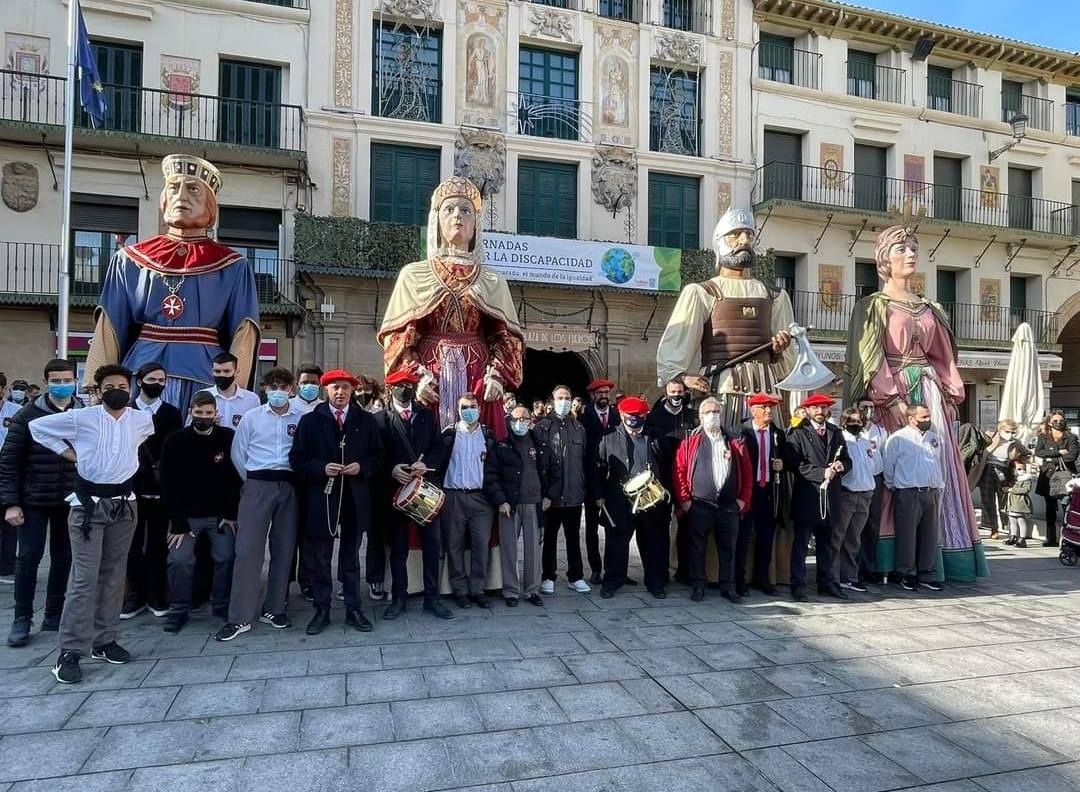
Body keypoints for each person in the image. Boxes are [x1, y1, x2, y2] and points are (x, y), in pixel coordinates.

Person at [845, 225, 987, 583]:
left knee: (936, 471)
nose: (910, 254)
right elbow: (869, 356)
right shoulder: (873, 306)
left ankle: (937, 557)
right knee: (896, 474)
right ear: (884, 261)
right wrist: (889, 397)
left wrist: (951, 394)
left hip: (929, 394)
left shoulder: (930, 308)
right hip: (891, 396)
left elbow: (944, 358)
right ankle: (888, 561)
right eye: (900, 249)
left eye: (912, 248)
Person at [83, 155, 260, 415]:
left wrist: (236, 393)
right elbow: (109, 327)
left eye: (193, 189)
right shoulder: (128, 259)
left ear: (211, 205)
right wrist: (98, 387)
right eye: (174, 188)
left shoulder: (234, 265)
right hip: (140, 373)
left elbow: (243, 334)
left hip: (204, 377)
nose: (182, 196)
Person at [29, 364, 155, 684]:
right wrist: (69, 454)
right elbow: (39, 427)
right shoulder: (82, 417)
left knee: (114, 575)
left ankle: (105, 639)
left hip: (124, 505)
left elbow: (138, 443)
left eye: (123, 386)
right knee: (85, 578)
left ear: (131, 388)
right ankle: (70, 651)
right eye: (111, 385)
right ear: (99, 390)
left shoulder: (140, 419)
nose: (118, 391)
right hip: (88, 506)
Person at [378, 176, 523, 439]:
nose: (458, 216)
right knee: (428, 444)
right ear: (437, 220)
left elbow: (505, 338)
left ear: (476, 222)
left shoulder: (493, 280)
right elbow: (398, 339)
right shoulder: (414, 274)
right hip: (431, 373)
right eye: (450, 209)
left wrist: (497, 376)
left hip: (478, 374)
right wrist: (415, 377)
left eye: (466, 210)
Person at [656, 207, 796, 428]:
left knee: (767, 454)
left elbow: (789, 365)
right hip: (721, 389)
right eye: (736, 234)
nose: (744, 240)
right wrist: (682, 377)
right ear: (720, 241)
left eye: (749, 234)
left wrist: (778, 352)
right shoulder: (702, 292)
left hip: (765, 393)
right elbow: (675, 345)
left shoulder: (775, 296)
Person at [290, 369, 384, 635]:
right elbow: (297, 459)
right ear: (325, 391)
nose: (340, 392)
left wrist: (361, 467)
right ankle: (322, 609)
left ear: (352, 390)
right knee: (320, 556)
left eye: (344, 387)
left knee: (351, 556)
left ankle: (353, 607)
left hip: (354, 497)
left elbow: (378, 456)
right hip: (323, 496)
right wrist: (321, 468)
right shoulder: (310, 421)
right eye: (334, 388)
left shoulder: (365, 421)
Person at [214, 367, 301, 642]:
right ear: (265, 389)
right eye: (272, 386)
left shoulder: (302, 417)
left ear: (291, 390)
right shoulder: (252, 418)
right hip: (257, 484)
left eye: (283, 386)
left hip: (289, 485)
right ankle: (239, 616)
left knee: (284, 549)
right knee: (248, 550)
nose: (278, 391)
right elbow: (238, 453)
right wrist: (252, 481)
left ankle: (274, 608)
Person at [1, 359, 80, 647]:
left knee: (64, 558)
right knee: (28, 558)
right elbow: (9, 462)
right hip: (33, 500)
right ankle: (22, 617)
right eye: (56, 381)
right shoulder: (27, 415)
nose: (62, 385)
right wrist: (11, 503)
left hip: (70, 500)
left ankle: (54, 614)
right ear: (46, 382)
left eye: (67, 379)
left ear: (75, 380)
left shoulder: (83, 412)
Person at [160, 391, 242, 633]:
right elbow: (168, 483)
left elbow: (234, 478)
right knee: (179, 561)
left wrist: (231, 512)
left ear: (216, 414)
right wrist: (178, 522)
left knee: (226, 557)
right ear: (190, 413)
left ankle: (222, 604)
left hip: (219, 516)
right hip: (185, 517)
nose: (203, 418)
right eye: (198, 413)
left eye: (208, 413)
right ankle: (178, 609)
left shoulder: (228, 437)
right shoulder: (174, 440)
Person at [374, 370, 452, 621]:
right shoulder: (379, 420)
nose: (406, 389)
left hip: (424, 490)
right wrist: (391, 469)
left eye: (410, 385)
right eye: (401, 385)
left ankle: (432, 598)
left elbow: (438, 448)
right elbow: (374, 455)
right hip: (396, 493)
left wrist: (426, 464)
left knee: (432, 546)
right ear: (390, 389)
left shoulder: (427, 416)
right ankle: (398, 597)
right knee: (398, 549)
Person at [673, 398, 753, 603]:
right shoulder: (690, 441)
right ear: (700, 416)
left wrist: (742, 500)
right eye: (708, 412)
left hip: (728, 506)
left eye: (716, 411)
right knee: (697, 548)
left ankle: (728, 587)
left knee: (729, 549)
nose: (713, 415)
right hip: (699, 504)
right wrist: (684, 500)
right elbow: (679, 470)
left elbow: (747, 472)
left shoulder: (735, 440)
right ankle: (698, 585)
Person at [121, 362, 183, 620]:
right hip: (131, 488)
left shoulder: (171, 413)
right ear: (139, 381)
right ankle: (135, 595)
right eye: (152, 378)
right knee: (131, 544)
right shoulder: (126, 410)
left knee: (158, 545)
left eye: (161, 379)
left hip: (161, 488)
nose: (157, 383)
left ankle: (157, 594)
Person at [592, 396, 668, 599]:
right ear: (622, 416)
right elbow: (598, 467)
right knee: (616, 543)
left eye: (638, 418)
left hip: (650, 500)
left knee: (652, 542)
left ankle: (655, 583)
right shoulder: (608, 437)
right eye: (629, 418)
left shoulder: (655, 437)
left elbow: (667, 466)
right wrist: (598, 495)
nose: (633, 423)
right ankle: (613, 581)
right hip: (619, 499)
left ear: (645, 416)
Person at [786, 393, 851, 602]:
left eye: (823, 408)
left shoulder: (835, 432)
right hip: (808, 496)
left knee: (828, 543)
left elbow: (847, 460)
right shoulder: (798, 433)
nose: (821, 412)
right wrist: (820, 473)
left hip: (830, 497)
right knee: (802, 544)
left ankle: (827, 583)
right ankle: (798, 584)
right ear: (808, 410)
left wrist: (841, 467)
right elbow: (794, 463)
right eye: (816, 408)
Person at [485, 405, 544, 607]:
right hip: (509, 505)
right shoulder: (501, 446)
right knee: (509, 549)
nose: (521, 423)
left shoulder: (539, 444)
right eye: (517, 419)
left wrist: (549, 496)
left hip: (533, 503)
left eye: (525, 418)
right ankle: (510, 590)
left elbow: (552, 470)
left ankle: (532, 590)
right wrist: (500, 500)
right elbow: (491, 476)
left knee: (533, 550)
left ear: (530, 421)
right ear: (510, 421)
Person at [882, 404, 946, 592]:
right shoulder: (898, 439)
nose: (928, 420)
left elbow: (937, 462)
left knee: (930, 535)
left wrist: (939, 485)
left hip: (931, 491)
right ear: (912, 419)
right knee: (907, 535)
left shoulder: (934, 439)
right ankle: (905, 573)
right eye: (924, 417)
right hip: (909, 491)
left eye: (928, 416)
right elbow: (889, 466)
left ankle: (926, 573)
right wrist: (894, 486)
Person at [441, 393, 496, 609]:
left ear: (480, 409)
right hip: (453, 496)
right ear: (458, 409)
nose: (469, 410)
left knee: (481, 545)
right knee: (454, 546)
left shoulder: (488, 435)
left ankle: (477, 589)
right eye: (464, 407)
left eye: (473, 406)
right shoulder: (449, 435)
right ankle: (460, 589)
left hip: (481, 499)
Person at [534, 385, 589, 596]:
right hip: (552, 496)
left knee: (573, 537)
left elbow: (583, 459)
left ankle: (576, 576)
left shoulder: (579, 428)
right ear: (552, 401)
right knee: (550, 537)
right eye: (560, 397)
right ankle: (548, 575)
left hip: (574, 494)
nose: (564, 401)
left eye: (567, 397)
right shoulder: (542, 428)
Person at [647, 377, 699, 585]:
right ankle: (659, 576)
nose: (677, 396)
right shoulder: (655, 417)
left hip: (688, 481)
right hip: (663, 481)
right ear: (665, 393)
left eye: (680, 392)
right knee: (659, 529)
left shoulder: (693, 417)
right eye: (673, 392)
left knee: (688, 528)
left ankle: (685, 572)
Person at [738, 393, 787, 596]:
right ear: (753, 410)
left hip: (769, 490)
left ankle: (763, 578)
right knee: (744, 536)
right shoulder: (742, 432)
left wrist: (782, 464)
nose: (769, 411)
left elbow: (789, 459)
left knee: (766, 537)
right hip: (748, 491)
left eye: (771, 408)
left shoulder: (777, 434)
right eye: (764, 407)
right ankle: (739, 580)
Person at [581, 378, 620, 584]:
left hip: (612, 481)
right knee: (592, 528)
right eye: (599, 393)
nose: (604, 396)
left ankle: (615, 568)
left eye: (606, 392)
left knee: (615, 527)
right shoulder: (583, 417)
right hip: (590, 480)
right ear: (592, 396)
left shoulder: (617, 416)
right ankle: (596, 568)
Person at [833, 407, 877, 593]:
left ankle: (850, 576)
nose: (856, 424)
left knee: (854, 538)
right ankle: (834, 576)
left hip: (865, 494)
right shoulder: (841, 441)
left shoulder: (865, 442)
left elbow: (874, 465)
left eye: (859, 421)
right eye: (852, 421)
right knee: (838, 536)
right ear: (844, 422)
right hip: (847, 494)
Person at [855, 398, 889, 584]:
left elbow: (885, 456)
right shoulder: (852, 432)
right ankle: (854, 568)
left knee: (872, 525)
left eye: (871, 407)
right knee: (855, 526)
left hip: (875, 480)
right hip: (857, 482)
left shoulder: (881, 432)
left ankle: (869, 567)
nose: (868, 411)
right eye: (864, 407)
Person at [1034, 410, 1079, 547]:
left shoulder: (1070, 437)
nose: (1058, 423)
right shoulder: (1043, 437)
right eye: (1055, 421)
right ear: (1049, 422)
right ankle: (1051, 538)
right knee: (1050, 508)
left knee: (1067, 505)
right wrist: (1058, 452)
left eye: (1061, 420)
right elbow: (1039, 452)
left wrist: (1050, 458)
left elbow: (1072, 455)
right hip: (1048, 475)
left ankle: (1068, 538)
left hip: (1066, 475)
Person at [979, 420, 1023, 540]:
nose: (1010, 434)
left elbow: (1025, 454)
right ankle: (994, 528)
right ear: (1000, 429)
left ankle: (1009, 528)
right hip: (988, 469)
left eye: (1013, 432)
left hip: (1004, 470)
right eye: (1007, 431)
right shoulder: (991, 437)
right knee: (987, 500)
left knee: (1004, 500)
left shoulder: (1016, 443)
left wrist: (1019, 463)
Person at [197, 352, 262, 429]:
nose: (222, 375)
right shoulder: (201, 396)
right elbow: (190, 429)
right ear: (212, 372)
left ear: (236, 372)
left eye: (227, 371)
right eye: (217, 371)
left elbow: (257, 429)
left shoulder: (252, 399)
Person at [0, 372, 20, 583]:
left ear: (3, 389)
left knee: (7, 518)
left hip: (8, 469)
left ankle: (6, 567)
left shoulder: (16, 412)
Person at [1004, 449, 1035, 548]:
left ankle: (1022, 538)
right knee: (1012, 520)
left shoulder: (1026, 479)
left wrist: (1011, 490)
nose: (1019, 471)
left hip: (1020, 503)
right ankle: (1013, 535)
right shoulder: (1013, 479)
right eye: (1017, 469)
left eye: (1021, 469)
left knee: (1021, 520)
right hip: (1011, 503)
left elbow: (1025, 490)